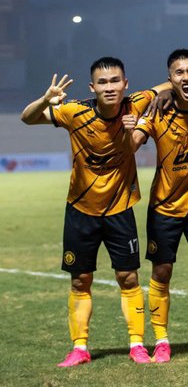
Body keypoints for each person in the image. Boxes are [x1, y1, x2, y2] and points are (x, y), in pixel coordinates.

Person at [20, 57, 167, 367]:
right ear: (92, 87)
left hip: (119, 209)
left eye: (115, 81)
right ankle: (80, 348)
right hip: (81, 209)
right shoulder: (75, 111)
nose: (109, 87)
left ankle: (137, 345)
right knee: (80, 280)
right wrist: (45, 99)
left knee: (128, 277)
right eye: (103, 82)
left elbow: (170, 84)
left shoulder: (136, 103)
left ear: (125, 84)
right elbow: (27, 118)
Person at [122, 49, 188, 362]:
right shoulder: (157, 111)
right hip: (164, 208)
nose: (186, 77)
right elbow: (131, 147)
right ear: (170, 79)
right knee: (162, 272)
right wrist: (126, 131)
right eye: (179, 73)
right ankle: (162, 341)